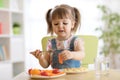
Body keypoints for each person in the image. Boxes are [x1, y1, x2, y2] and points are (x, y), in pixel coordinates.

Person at [31, 4, 85, 69]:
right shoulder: (51, 43)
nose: (60, 26)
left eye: (65, 23)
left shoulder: (76, 41)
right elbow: (45, 65)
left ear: (73, 24)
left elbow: (82, 54)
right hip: (57, 76)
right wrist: (41, 58)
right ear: (52, 25)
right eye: (56, 24)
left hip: (74, 76)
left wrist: (72, 54)